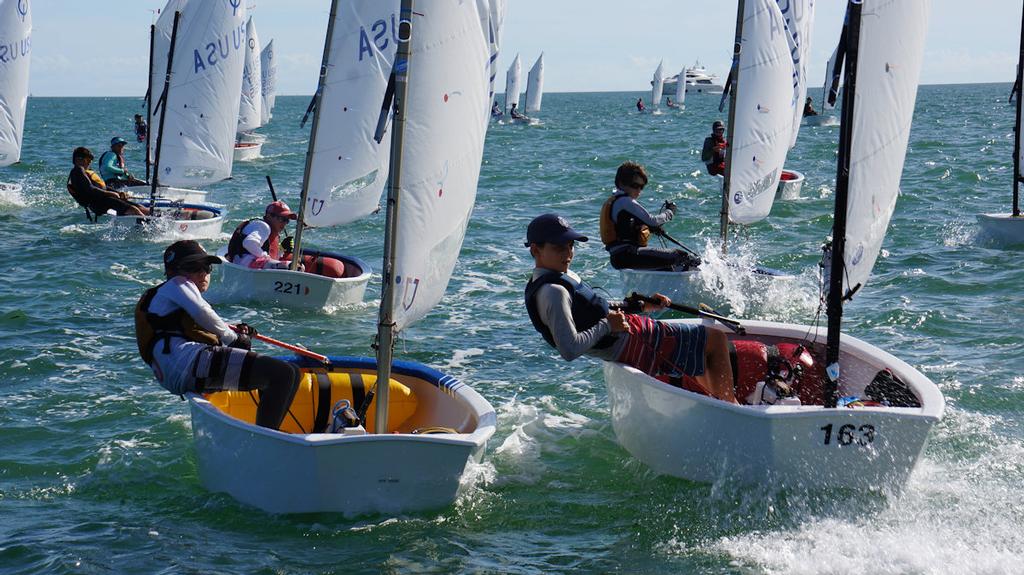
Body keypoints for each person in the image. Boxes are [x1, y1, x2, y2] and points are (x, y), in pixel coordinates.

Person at [523, 214, 737, 403]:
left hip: (630, 334)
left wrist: (640, 306)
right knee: (715, 339)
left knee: (702, 349)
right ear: (535, 250)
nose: (568, 253)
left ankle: (714, 402)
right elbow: (569, 349)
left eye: (571, 246)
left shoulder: (554, 279)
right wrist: (607, 325)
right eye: (559, 247)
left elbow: (595, 310)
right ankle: (730, 407)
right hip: (631, 345)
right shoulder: (553, 292)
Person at [135, 240, 301, 430]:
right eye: (193, 266)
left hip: (176, 370)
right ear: (172, 270)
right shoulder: (176, 284)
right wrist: (233, 338)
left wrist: (235, 332)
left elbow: (201, 326)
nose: (202, 273)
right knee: (283, 374)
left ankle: (267, 431)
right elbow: (203, 313)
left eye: (207, 266)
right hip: (185, 363)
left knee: (291, 372)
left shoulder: (166, 300)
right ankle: (267, 437)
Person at [599, 161, 699, 271]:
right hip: (628, 255)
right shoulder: (624, 201)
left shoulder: (615, 201)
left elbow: (627, 227)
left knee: (669, 268)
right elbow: (653, 221)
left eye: (641, 187)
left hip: (621, 258)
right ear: (621, 183)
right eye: (635, 186)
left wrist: (650, 228)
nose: (638, 191)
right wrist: (670, 211)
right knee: (681, 256)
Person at [66, 146, 149, 218]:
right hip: (98, 203)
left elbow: (103, 187)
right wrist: (111, 194)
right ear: (79, 159)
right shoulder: (77, 171)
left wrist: (118, 193)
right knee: (133, 209)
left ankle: (155, 217)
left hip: (106, 199)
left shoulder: (86, 171)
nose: (89, 163)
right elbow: (90, 189)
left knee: (139, 206)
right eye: (88, 160)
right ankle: (148, 224)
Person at [226, 201, 303, 270]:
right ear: (269, 216)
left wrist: (281, 249)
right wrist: (265, 256)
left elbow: (270, 255)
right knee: (291, 267)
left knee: (300, 266)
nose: (284, 223)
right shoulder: (263, 226)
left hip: (252, 267)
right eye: (282, 219)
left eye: (287, 220)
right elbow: (249, 243)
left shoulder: (270, 231)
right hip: (244, 266)